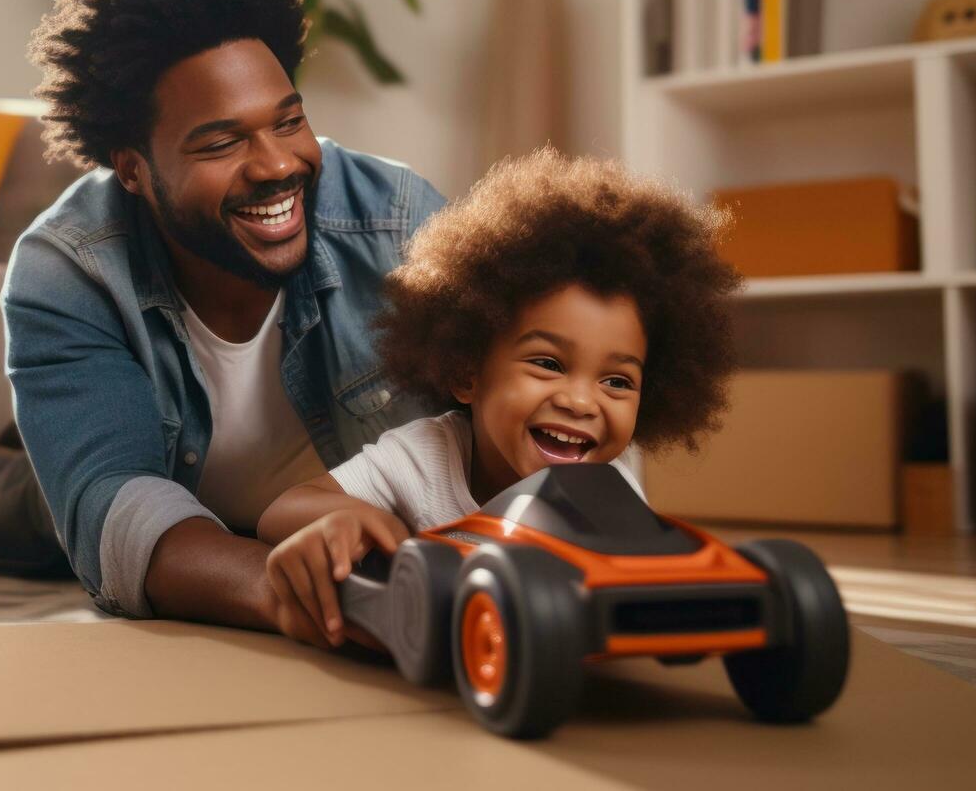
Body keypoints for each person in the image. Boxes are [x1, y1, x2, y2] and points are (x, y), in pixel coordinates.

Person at [0, 0, 449, 647]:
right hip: (148, 475)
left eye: (288, 122)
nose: (277, 164)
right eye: (220, 142)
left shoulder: (403, 226)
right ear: (131, 170)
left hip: (293, 505)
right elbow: (113, 506)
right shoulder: (68, 268)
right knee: (5, 523)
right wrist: (281, 590)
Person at [255, 149, 740, 647]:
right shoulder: (425, 456)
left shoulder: (610, 481)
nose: (581, 402)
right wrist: (349, 517)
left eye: (617, 382)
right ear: (468, 371)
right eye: (548, 365)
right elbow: (281, 511)